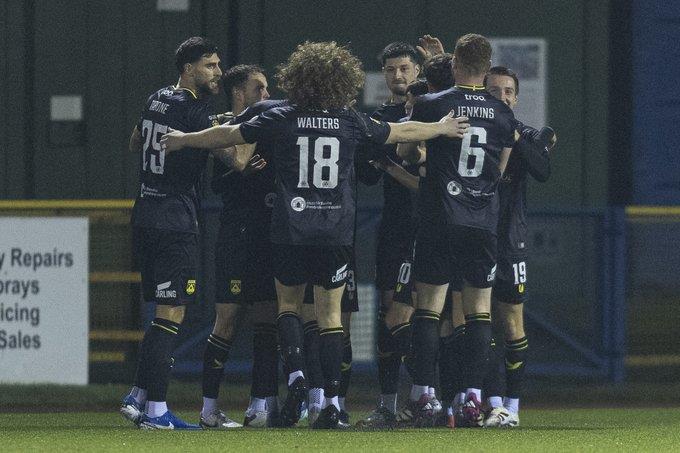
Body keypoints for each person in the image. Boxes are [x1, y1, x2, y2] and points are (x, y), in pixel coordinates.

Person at [160, 40, 470, 429]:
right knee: (329, 319)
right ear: (342, 80)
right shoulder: (348, 119)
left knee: (287, 307)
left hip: (290, 229)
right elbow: (398, 130)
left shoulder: (282, 115)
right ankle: (332, 404)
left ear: (298, 79)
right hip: (335, 233)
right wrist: (441, 127)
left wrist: (183, 139)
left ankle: (296, 375)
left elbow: (229, 134)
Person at [398, 33, 515, 427]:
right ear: (487, 66)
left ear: (454, 64)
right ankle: (473, 398)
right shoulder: (502, 113)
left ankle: (425, 396)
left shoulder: (434, 103)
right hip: (482, 222)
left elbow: (408, 152)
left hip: (440, 217)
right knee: (479, 312)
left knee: (429, 309)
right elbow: (499, 169)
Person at [120, 36, 223, 430]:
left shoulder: (157, 97)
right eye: (210, 66)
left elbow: (134, 141)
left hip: (145, 213)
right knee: (171, 314)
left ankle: (139, 395)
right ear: (188, 69)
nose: (217, 72)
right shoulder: (195, 109)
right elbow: (231, 155)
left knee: (160, 314)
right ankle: (157, 412)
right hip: (174, 219)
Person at [199, 64, 276, 429]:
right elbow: (218, 186)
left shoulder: (271, 124)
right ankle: (209, 408)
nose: (267, 95)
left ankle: (259, 405)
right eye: (259, 88)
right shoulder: (225, 131)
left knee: (266, 320)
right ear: (239, 93)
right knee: (226, 319)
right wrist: (239, 168)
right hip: (235, 235)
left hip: (266, 235)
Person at [481, 66, 555, 428]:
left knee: (510, 322)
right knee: (474, 321)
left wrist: (518, 138)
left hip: (510, 241)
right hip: (474, 238)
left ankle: (511, 404)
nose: (503, 97)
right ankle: (479, 401)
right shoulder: (474, 131)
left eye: (508, 91)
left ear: (516, 97)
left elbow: (543, 170)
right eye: (494, 91)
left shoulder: (522, 132)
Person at [359, 42, 423, 427]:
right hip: (395, 225)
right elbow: (366, 173)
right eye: (391, 70)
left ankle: (432, 398)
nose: (398, 76)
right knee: (389, 314)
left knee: (434, 315)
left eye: (404, 68)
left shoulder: (434, 108)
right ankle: (389, 402)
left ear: (416, 70)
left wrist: (391, 157)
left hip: (429, 225)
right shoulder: (380, 117)